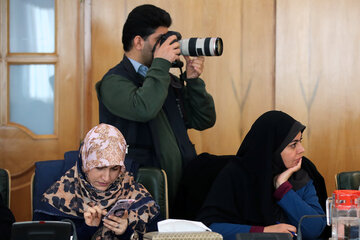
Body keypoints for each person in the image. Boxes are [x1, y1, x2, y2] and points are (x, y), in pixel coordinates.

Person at [95, 4, 216, 211]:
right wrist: (161, 64)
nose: (165, 46)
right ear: (138, 41)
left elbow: (204, 120)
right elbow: (144, 108)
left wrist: (193, 81)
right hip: (141, 187)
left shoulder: (163, 78)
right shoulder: (114, 81)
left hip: (182, 184)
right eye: (159, 40)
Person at [196, 111, 327, 240]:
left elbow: (314, 229)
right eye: (293, 145)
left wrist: (282, 188)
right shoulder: (237, 175)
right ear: (273, 148)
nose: (301, 149)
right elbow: (210, 229)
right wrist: (264, 232)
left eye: (300, 141)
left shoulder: (299, 175)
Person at [33, 124, 161, 240]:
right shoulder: (58, 197)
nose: (107, 178)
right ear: (85, 163)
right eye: (100, 168)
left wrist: (127, 233)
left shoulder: (136, 195)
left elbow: (159, 235)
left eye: (115, 168)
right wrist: (87, 230)